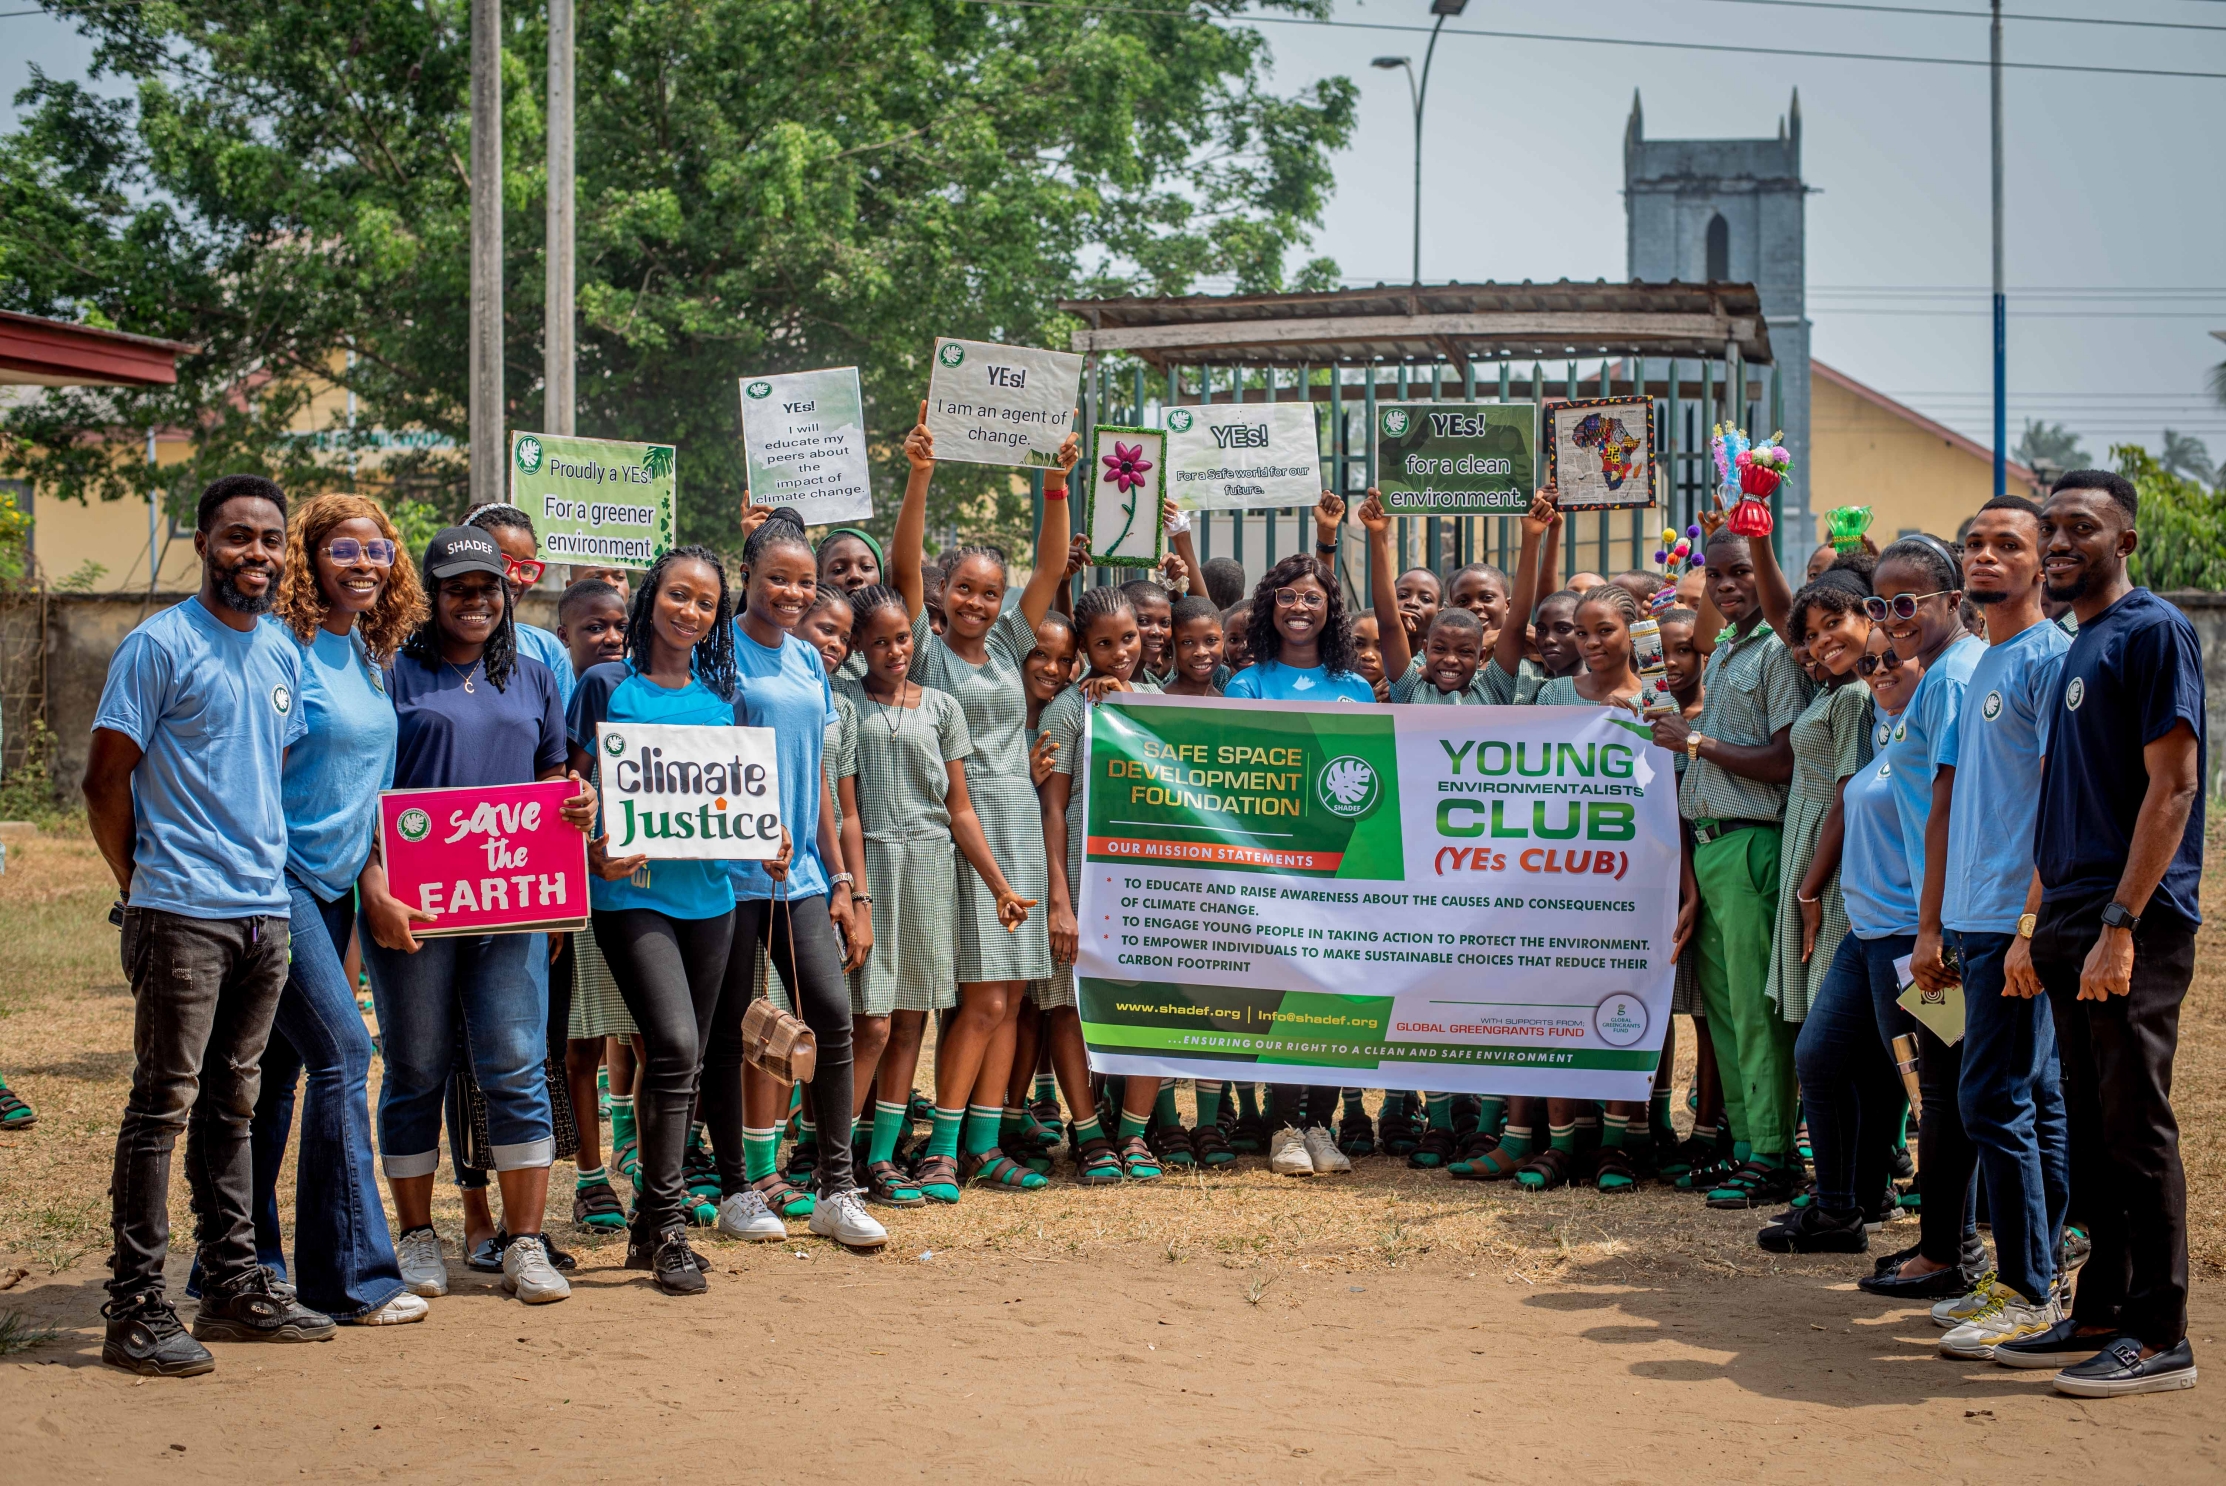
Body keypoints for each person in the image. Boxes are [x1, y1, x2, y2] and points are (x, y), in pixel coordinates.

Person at [85, 474, 333, 1376]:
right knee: (162, 1106)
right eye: (238, 538)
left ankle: (232, 1286)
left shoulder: (279, 652)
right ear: (203, 543)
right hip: (181, 912)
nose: (256, 555)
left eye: (270, 540)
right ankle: (135, 1309)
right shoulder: (159, 647)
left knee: (234, 1103)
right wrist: (143, 884)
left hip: (265, 914)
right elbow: (104, 782)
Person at [1993, 470, 2204, 1397]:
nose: (2062, 539)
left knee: (2135, 1125)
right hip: (2070, 913)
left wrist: (2121, 924)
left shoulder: (2153, 630)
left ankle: (2162, 1337)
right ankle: (2104, 1311)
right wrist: (2039, 926)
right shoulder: (2081, 645)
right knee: (2087, 1125)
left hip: (2133, 917)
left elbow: (2176, 786)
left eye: (2083, 526)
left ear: (2126, 542)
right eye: (2053, 527)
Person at [204, 493, 431, 1329]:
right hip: (275, 883)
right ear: (308, 556)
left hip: (337, 889)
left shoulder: (368, 654)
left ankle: (236, 1267)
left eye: (378, 549)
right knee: (345, 1053)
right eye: (345, 549)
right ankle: (350, 1280)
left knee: (277, 1079)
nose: (365, 564)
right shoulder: (283, 650)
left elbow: (370, 788)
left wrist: (371, 873)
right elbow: (249, 768)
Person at [362, 526, 598, 1309]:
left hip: (513, 907)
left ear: (509, 592)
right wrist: (375, 886)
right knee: (416, 1069)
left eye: (488, 587)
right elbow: (365, 790)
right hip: (413, 910)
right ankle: (417, 1236)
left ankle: (524, 1243)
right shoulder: (392, 671)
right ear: (428, 595)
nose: (476, 602)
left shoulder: (535, 674)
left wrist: (576, 803)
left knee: (515, 1065)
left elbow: (551, 774)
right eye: (458, 588)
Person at [567, 544, 754, 1294]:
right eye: (679, 595)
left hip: (712, 897)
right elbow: (567, 792)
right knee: (673, 1042)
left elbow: (739, 794)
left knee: (682, 1059)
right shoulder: (604, 684)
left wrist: (763, 834)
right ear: (653, 597)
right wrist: (591, 848)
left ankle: (651, 1228)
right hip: (630, 894)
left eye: (706, 603)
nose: (691, 611)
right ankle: (672, 1225)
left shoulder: (721, 694)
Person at [890, 402, 1066, 1195]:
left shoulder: (1006, 647)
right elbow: (901, 568)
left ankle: (984, 1143)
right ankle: (940, 1150)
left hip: (1020, 821)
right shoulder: (923, 648)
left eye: (989, 593)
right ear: (944, 592)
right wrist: (919, 478)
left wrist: (1057, 486)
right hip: (962, 830)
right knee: (981, 999)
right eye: (964, 589)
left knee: (1008, 998)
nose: (978, 603)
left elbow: (1053, 570)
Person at [1917, 495, 2075, 1360]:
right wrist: (1931, 924)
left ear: (2042, 561)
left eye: (2006, 545)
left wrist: (2028, 924)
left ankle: (2028, 1288)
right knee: (2018, 1098)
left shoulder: (2050, 659)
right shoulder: (1982, 659)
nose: (1985, 557)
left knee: (1994, 1100)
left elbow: (2058, 802)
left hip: (2016, 924)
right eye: (1974, 544)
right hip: (1968, 922)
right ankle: (2032, 1274)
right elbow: (1949, 807)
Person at [701, 511, 885, 1250]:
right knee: (724, 1033)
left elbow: (810, 772)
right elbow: (698, 757)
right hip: (728, 874)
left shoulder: (810, 661)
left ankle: (836, 1190)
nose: (791, 592)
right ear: (746, 574)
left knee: (832, 1015)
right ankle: (738, 1190)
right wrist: (745, 827)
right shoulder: (717, 652)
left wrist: (840, 876)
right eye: (778, 578)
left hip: (801, 875)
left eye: (804, 581)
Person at [839, 581, 1037, 1199]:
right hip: (874, 865)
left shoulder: (942, 708)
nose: (896, 651)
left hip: (932, 873)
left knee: (911, 1022)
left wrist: (1001, 886)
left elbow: (960, 811)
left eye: (902, 638)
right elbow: (845, 812)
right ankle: (832, 1158)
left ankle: (881, 1160)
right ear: (859, 647)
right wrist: (857, 894)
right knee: (868, 1023)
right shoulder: (846, 705)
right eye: (880, 642)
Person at [1648, 525, 1813, 1211]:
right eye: (1716, 575)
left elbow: (1783, 759)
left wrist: (1695, 740)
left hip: (1753, 840)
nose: (1726, 585)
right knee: (1723, 1011)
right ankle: (1746, 1146)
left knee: (1755, 1009)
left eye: (1740, 572)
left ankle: (1774, 1152)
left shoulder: (1778, 650)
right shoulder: (1727, 653)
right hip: (1711, 847)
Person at [1856, 535, 1987, 1302]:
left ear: (1949, 601)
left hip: (1938, 922)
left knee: (1947, 1088)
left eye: (1907, 603)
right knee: (1945, 1083)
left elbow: (1949, 807)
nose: (1891, 619)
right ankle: (1947, 1245)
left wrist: (1932, 927)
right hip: (1925, 917)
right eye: (1881, 604)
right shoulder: (1941, 676)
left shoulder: (1950, 680)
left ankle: (1949, 1252)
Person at [1766, 626, 1921, 1255]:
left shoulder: (1935, 725)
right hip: (1865, 933)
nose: (1878, 670)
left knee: (1926, 1083)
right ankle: (1837, 1212)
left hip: (1917, 942)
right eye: (1872, 662)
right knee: (1819, 1057)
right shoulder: (1884, 728)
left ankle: (1953, 1242)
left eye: (1893, 661)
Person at [1039, 586, 1176, 1181]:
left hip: (1151, 882)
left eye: (1129, 638)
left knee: (1151, 1002)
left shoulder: (1163, 702)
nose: (1121, 652)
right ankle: (1089, 1130)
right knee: (1070, 1007)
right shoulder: (1069, 709)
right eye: (1104, 643)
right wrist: (1060, 901)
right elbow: (1054, 810)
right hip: (1083, 879)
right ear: (1083, 648)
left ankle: (1135, 1134)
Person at [552, 578, 642, 1229]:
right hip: (582, 882)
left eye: (618, 625)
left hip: (641, 882)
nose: (609, 637)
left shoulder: (639, 687)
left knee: (646, 1033)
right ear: (566, 637)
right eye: (593, 627)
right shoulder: (585, 690)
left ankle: (644, 1155)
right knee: (582, 1043)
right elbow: (567, 784)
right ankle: (590, 1180)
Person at [1764, 573, 1874, 1076]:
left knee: (1832, 1028)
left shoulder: (1855, 697)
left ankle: (1879, 1146)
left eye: (1833, 624)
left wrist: (1810, 891)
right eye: (1810, 635)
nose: (1821, 642)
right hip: (1804, 852)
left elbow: (1846, 797)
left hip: (1828, 867)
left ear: (1868, 616)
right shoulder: (1830, 692)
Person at [1222, 494, 1373, 704]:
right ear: (1269, 607)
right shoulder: (1246, 687)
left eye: (1312, 599)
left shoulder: (1359, 688)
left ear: (1330, 610)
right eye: (1287, 597)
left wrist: (1328, 535)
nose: (1299, 607)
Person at [1164, 596, 1225, 698]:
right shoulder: (1160, 702)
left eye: (1211, 640)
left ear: (1223, 641)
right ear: (1170, 647)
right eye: (1187, 642)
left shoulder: (1225, 703)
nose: (1201, 652)